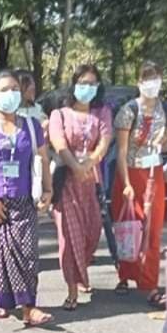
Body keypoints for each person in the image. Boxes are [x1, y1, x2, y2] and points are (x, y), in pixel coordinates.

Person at [0, 70, 54, 326]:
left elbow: (43, 160)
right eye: (4, 89)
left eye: (15, 88)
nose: (10, 94)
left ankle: (29, 308)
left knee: (27, 254)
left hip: (23, 201)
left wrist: (48, 191)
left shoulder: (32, 126)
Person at [49, 64, 112, 311]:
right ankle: (72, 289)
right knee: (69, 236)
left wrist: (88, 164)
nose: (87, 88)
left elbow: (104, 141)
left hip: (91, 182)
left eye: (92, 84)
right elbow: (59, 143)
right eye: (83, 83)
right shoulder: (60, 114)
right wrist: (75, 166)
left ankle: (81, 269)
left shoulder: (102, 112)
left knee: (92, 231)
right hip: (66, 183)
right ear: (74, 84)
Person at [112, 61, 167, 307]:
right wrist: (126, 183)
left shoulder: (166, 109)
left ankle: (149, 284)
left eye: (155, 77)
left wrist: (165, 139)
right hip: (130, 174)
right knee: (130, 227)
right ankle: (126, 274)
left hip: (154, 173)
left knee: (153, 230)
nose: (152, 83)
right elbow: (121, 151)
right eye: (147, 78)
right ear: (139, 82)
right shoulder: (128, 110)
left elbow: (166, 143)